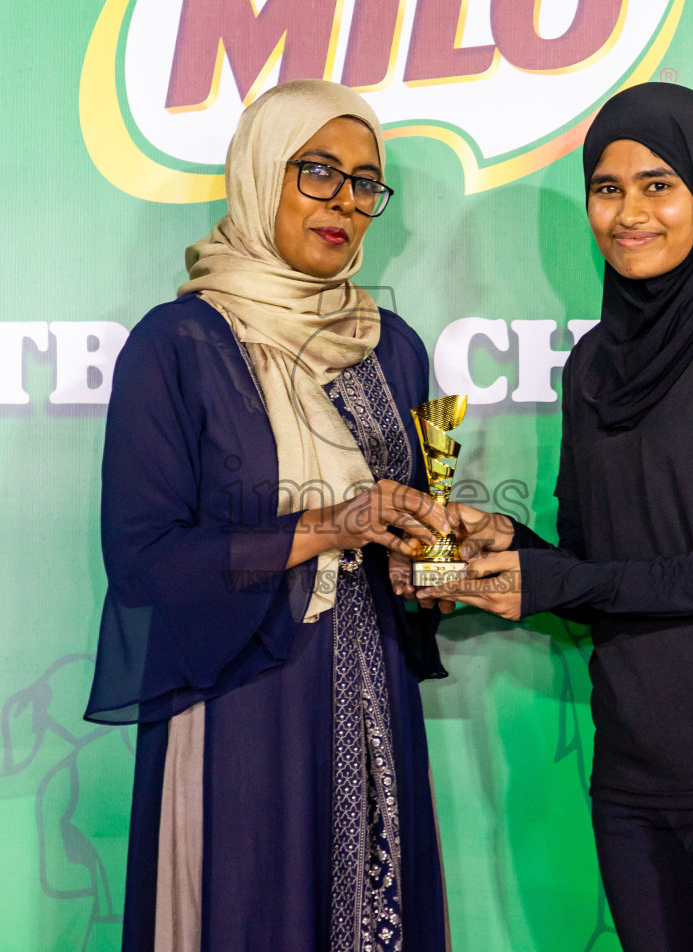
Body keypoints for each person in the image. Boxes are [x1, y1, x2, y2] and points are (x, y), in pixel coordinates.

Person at [420, 83, 693, 951]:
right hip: (634, 775)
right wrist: (506, 551)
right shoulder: (592, 367)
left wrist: (564, 575)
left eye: (659, 185)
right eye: (607, 188)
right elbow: (597, 572)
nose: (628, 214)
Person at [84, 79, 452, 952]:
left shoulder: (390, 347)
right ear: (258, 176)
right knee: (249, 913)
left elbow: (400, 534)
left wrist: (426, 564)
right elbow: (145, 562)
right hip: (241, 701)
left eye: (366, 182)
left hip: (372, 700)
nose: (347, 204)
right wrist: (334, 524)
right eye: (317, 172)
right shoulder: (179, 344)